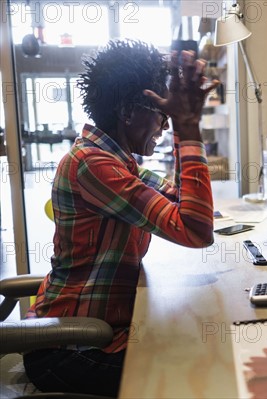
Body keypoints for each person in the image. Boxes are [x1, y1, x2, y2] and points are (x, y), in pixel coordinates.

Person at [23, 40, 218, 397]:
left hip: (95, 333)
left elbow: (185, 203)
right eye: (162, 114)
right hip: (70, 349)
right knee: (202, 371)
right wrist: (188, 128)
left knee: (201, 349)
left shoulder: (118, 162)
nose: (164, 124)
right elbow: (196, 229)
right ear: (129, 111)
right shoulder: (93, 165)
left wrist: (182, 126)